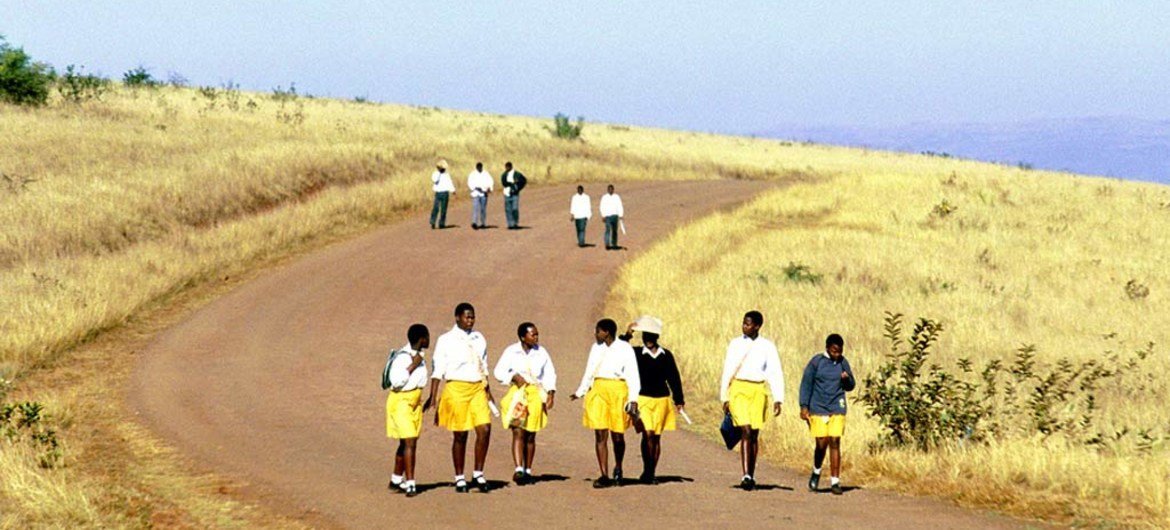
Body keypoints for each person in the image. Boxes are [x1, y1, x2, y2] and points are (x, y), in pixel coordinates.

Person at [426, 302, 497, 493]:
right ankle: (459, 478)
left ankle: (478, 474)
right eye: (467, 317)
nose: (470, 320)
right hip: (456, 388)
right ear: (457, 317)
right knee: (460, 434)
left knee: (485, 428)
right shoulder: (446, 339)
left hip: (477, 388)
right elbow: (438, 367)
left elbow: (483, 365)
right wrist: (433, 395)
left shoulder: (479, 338)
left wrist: (488, 391)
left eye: (472, 317)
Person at [719, 310, 784, 491]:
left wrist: (778, 397)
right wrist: (724, 396)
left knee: (754, 433)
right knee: (745, 429)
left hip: (758, 390)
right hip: (739, 388)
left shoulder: (767, 347)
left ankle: (751, 474)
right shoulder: (735, 344)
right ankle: (746, 475)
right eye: (743, 323)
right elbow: (728, 369)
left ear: (757, 326)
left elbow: (774, 371)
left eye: (748, 324)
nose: (744, 327)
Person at [571, 318, 640, 488]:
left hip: (618, 390)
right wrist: (580, 391)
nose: (596, 334)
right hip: (598, 390)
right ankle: (604, 474)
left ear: (606, 332)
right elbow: (590, 370)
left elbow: (632, 375)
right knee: (600, 433)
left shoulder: (625, 348)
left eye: (598, 331)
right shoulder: (596, 348)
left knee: (617, 435)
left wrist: (633, 400)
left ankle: (618, 467)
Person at [618, 316, 685, 485]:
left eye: (651, 336)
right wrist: (627, 334)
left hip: (661, 400)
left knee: (656, 437)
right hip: (643, 399)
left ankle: (650, 471)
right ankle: (648, 471)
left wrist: (679, 399)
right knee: (647, 434)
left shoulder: (666, 355)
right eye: (645, 335)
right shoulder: (636, 354)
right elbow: (619, 349)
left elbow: (674, 378)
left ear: (657, 337)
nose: (648, 339)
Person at [493, 322, 556, 485]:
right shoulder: (511, 351)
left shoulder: (541, 353)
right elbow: (498, 371)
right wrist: (513, 376)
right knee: (518, 430)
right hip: (519, 394)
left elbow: (550, 373)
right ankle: (518, 469)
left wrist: (551, 392)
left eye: (537, 334)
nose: (536, 337)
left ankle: (528, 469)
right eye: (532, 334)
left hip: (535, 395)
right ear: (522, 337)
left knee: (531, 433)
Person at [799, 334, 855, 495]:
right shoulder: (816, 362)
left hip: (837, 406)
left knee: (835, 440)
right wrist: (804, 406)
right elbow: (806, 384)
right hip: (818, 407)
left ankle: (835, 481)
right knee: (821, 443)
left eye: (840, 351)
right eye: (834, 351)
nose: (837, 354)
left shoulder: (843, 363)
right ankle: (816, 471)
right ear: (827, 348)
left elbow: (851, 385)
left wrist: (846, 379)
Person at [382, 324, 434, 497]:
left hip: (414, 402)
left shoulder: (420, 356)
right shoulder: (404, 358)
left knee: (406, 443)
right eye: (427, 336)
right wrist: (413, 366)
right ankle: (411, 483)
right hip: (401, 401)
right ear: (421, 339)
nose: (429, 339)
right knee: (410, 441)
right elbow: (395, 381)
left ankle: (396, 479)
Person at [500, 161, 528, 229]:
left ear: (510, 167)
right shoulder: (504, 175)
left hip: (515, 193)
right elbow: (504, 183)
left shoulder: (517, 174)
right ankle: (510, 224)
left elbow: (524, 181)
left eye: (507, 167)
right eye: (506, 167)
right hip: (507, 193)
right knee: (508, 209)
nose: (506, 168)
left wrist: (518, 188)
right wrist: (510, 184)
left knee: (514, 208)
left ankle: (515, 222)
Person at [430, 159, 455, 229]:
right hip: (438, 193)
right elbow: (435, 180)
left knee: (443, 209)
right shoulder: (435, 174)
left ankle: (441, 223)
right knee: (435, 208)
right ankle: (433, 221)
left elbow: (450, 183)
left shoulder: (447, 175)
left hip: (445, 193)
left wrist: (453, 190)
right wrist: (439, 172)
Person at [467, 162, 493, 229]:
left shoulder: (486, 174)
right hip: (476, 193)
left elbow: (491, 181)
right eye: (478, 167)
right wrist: (474, 187)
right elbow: (469, 182)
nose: (479, 168)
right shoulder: (472, 174)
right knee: (475, 208)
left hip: (484, 193)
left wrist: (489, 188)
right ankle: (474, 222)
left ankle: (483, 223)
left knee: (483, 209)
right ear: (476, 167)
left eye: (480, 167)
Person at [598, 184, 624, 250]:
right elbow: (601, 207)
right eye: (609, 189)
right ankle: (607, 243)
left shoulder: (617, 197)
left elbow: (620, 206)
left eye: (611, 189)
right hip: (607, 216)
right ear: (607, 190)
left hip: (615, 216)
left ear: (613, 190)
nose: (610, 190)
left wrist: (621, 215)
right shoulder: (604, 197)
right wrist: (603, 215)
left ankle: (614, 244)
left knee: (614, 231)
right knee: (607, 230)